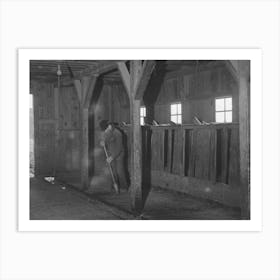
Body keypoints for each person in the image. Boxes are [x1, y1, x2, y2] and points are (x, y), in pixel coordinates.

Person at [99, 120, 128, 192]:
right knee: (113, 171)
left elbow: (119, 148)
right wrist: (102, 142)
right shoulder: (106, 132)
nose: (107, 129)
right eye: (106, 128)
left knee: (119, 171)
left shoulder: (118, 133)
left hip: (119, 155)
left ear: (112, 126)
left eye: (109, 126)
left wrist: (112, 157)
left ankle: (124, 187)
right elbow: (105, 139)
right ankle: (114, 186)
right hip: (111, 153)